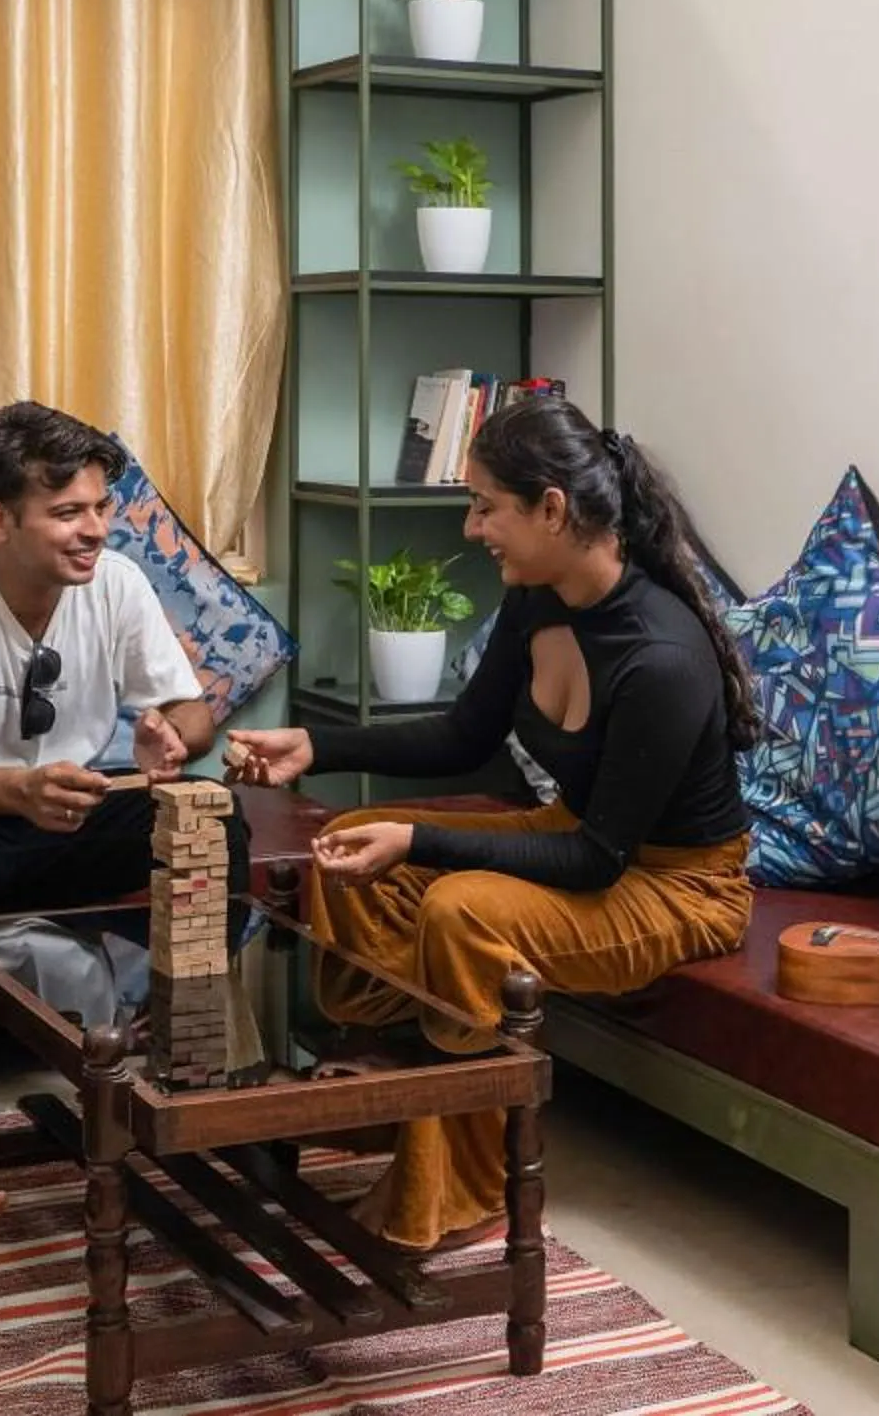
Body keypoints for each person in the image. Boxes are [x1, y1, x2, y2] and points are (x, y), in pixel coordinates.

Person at [225, 397, 755, 1253]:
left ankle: (462, 1184)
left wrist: (424, 843)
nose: (473, 529)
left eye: (485, 506)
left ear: (552, 508)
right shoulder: (536, 598)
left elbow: (592, 860)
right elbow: (463, 736)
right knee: (357, 837)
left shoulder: (661, 657)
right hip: (582, 837)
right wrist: (311, 746)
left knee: (458, 907)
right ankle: (400, 1092)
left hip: (676, 885)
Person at [0, 402, 246, 984]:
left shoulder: (117, 582)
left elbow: (191, 714)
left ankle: (182, 1024)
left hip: (69, 823)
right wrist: (15, 791)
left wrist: (171, 739)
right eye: (68, 513)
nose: (95, 529)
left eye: (101, 507)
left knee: (211, 812)